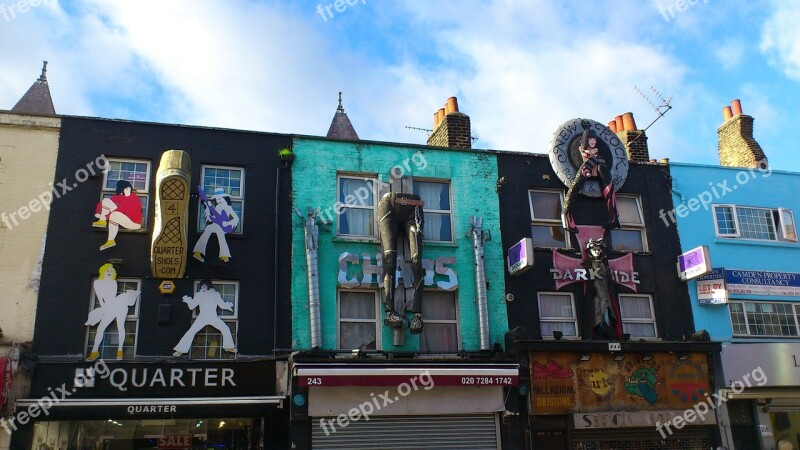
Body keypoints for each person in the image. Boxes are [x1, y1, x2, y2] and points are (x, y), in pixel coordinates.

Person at [377, 191, 425, 333]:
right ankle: (390, 312)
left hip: (414, 208)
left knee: (416, 260)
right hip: (389, 205)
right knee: (389, 260)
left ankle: (417, 315)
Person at [561, 129, 620, 231]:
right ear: (585, 140)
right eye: (590, 139)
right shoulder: (584, 152)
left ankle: (613, 217)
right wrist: (588, 169)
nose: (593, 141)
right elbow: (588, 160)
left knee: (602, 169)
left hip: (596, 170)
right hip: (587, 169)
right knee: (576, 185)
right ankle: (566, 214)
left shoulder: (597, 155)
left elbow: (600, 162)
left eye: (594, 139)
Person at [85, 263, 140, 361]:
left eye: (111, 271)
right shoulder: (97, 283)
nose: (110, 272)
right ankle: (94, 352)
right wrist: (104, 308)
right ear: (103, 271)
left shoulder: (113, 282)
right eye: (108, 270)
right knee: (100, 328)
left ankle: (120, 351)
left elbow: (111, 297)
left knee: (120, 326)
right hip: (109, 307)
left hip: (118, 305)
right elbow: (100, 299)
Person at [173, 280, 237, 356]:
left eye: (204, 286)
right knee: (191, 332)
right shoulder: (199, 295)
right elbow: (191, 307)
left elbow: (221, 305)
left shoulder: (215, 294)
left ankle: (229, 347)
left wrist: (227, 306)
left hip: (213, 317)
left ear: (209, 286)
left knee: (225, 329)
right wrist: (188, 301)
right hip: (202, 317)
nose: (203, 287)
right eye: (202, 286)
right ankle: (180, 350)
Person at [93, 180, 143, 250]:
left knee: (114, 215)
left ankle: (110, 240)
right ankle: (102, 222)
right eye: (123, 190)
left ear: (129, 188)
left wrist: (106, 216)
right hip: (125, 219)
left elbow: (122, 210)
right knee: (106, 200)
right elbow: (103, 202)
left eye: (125, 189)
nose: (123, 192)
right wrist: (98, 213)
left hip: (134, 223)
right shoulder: (122, 197)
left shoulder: (135, 198)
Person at [193, 187, 240, 263]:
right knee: (208, 228)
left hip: (226, 227)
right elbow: (212, 219)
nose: (218, 200)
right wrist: (208, 209)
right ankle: (198, 252)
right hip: (218, 226)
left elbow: (236, 218)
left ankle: (225, 255)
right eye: (217, 199)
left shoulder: (228, 207)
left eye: (220, 198)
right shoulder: (217, 207)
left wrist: (228, 223)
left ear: (224, 198)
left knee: (218, 229)